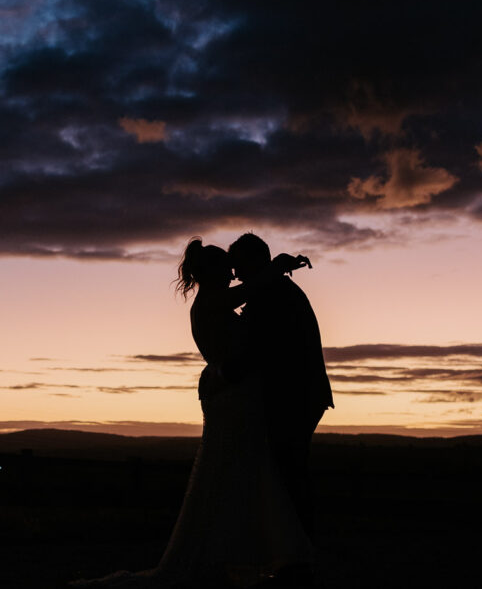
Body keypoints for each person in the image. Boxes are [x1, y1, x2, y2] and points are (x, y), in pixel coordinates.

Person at [70, 238, 313, 588]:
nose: (233, 273)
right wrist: (281, 263)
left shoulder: (210, 303)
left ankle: (234, 553)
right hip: (234, 400)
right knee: (239, 470)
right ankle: (241, 555)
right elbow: (255, 287)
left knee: (239, 472)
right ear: (210, 272)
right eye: (226, 268)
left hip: (235, 397)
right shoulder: (214, 301)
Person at [228, 232, 334, 586]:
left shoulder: (271, 294)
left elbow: (265, 349)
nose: (235, 273)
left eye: (239, 265)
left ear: (255, 261)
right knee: (288, 474)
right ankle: (297, 556)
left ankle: (299, 559)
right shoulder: (273, 289)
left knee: (289, 476)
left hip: (294, 396)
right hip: (299, 394)